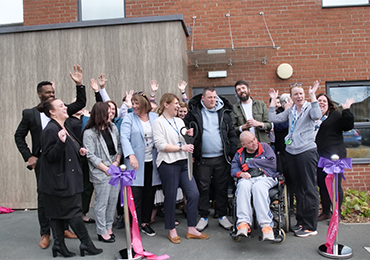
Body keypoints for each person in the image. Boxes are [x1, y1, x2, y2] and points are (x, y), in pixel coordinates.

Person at [14, 64, 86, 249]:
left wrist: (79, 84)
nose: (51, 94)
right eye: (47, 92)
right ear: (39, 94)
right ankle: (45, 233)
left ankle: (63, 229)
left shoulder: (60, 109)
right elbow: (18, 136)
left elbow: (80, 104)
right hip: (43, 163)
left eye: (52, 91)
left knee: (65, 195)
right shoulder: (30, 114)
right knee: (45, 198)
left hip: (63, 160)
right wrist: (28, 157)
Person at [37, 98, 102, 257]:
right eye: (61, 106)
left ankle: (59, 245)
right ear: (52, 112)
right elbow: (50, 156)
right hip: (59, 182)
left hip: (64, 180)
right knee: (73, 213)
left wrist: (79, 151)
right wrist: (60, 143)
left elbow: (69, 147)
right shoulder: (50, 130)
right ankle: (86, 244)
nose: (65, 107)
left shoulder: (63, 126)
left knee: (57, 214)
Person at [152, 93, 209, 244]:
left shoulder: (179, 120)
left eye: (178, 104)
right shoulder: (158, 122)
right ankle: (171, 229)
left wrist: (187, 134)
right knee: (170, 197)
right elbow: (161, 145)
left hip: (184, 163)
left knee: (194, 194)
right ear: (166, 104)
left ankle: (191, 229)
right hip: (168, 164)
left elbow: (182, 135)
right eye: (176, 104)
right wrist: (181, 147)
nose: (178, 106)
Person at [268, 81, 321, 238]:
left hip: (306, 151)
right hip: (291, 152)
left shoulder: (311, 107)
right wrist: (273, 99)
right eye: (295, 94)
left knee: (309, 188)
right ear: (291, 97)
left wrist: (313, 96)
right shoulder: (291, 111)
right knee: (297, 188)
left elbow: (317, 115)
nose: (299, 96)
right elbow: (273, 118)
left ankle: (311, 226)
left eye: (301, 93)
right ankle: (301, 222)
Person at [184, 87, 238, 232]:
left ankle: (222, 216)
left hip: (221, 157)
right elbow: (184, 132)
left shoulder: (224, 112)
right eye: (209, 97)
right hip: (202, 159)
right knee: (203, 188)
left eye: (214, 97)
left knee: (221, 188)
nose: (213, 100)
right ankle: (204, 216)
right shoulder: (194, 113)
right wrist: (192, 153)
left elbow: (232, 134)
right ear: (203, 98)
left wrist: (232, 152)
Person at [120, 92, 161, 236]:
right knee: (136, 194)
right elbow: (124, 138)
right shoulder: (129, 118)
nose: (134, 106)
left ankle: (145, 222)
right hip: (135, 162)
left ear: (144, 103)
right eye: (133, 103)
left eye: (137, 103)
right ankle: (133, 225)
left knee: (149, 193)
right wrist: (131, 155)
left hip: (152, 161)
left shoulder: (155, 117)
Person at [83, 102, 122, 243]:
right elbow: (90, 155)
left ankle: (108, 226)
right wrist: (107, 169)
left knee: (113, 200)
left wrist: (116, 163)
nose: (111, 113)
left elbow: (118, 146)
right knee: (102, 203)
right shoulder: (89, 133)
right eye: (108, 111)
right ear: (100, 114)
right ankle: (101, 231)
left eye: (112, 110)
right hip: (100, 172)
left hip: (114, 168)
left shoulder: (112, 128)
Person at [231, 131, 279, 241]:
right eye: (250, 142)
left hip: (266, 176)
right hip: (248, 178)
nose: (254, 143)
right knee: (242, 185)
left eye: (254, 139)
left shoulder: (265, 147)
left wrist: (250, 163)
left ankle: (266, 226)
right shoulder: (239, 153)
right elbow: (234, 169)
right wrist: (241, 173)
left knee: (258, 187)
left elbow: (272, 163)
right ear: (243, 144)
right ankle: (243, 223)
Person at [315, 93, 354, 221]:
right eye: (318, 100)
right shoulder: (312, 117)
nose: (321, 103)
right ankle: (326, 212)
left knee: (335, 185)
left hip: (334, 157)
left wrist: (347, 110)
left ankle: (336, 214)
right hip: (319, 157)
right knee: (323, 185)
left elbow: (348, 126)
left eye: (324, 101)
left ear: (329, 104)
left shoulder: (335, 115)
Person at [231, 80, 272, 145]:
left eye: (243, 88)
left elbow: (269, 125)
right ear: (237, 94)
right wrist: (243, 127)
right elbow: (232, 130)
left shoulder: (261, 104)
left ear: (248, 90)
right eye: (238, 90)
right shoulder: (234, 108)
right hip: (244, 145)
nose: (241, 90)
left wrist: (258, 123)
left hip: (261, 143)